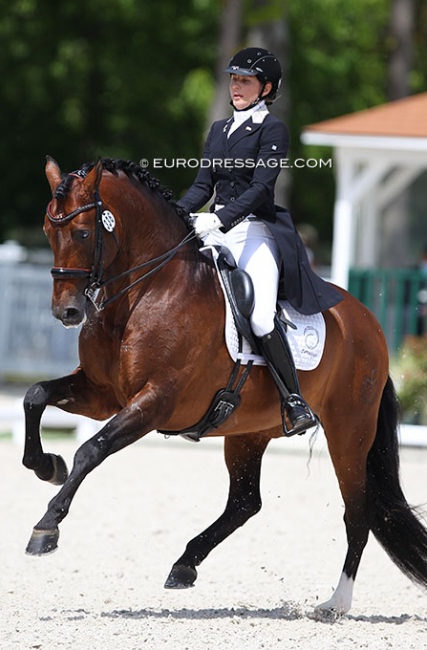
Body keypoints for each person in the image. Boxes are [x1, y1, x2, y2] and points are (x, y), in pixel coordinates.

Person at [177, 47, 343, 436]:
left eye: (245, 80)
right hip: (215, 229)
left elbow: (261, 188)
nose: (236, 86)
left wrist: (219, 217)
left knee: (261, 316)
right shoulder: (219, 130)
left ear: (265, 88)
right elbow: (203, 185)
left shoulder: (273, 130)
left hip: (254, 231)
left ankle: (293, 400)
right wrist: (174, 214)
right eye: (234, 79)